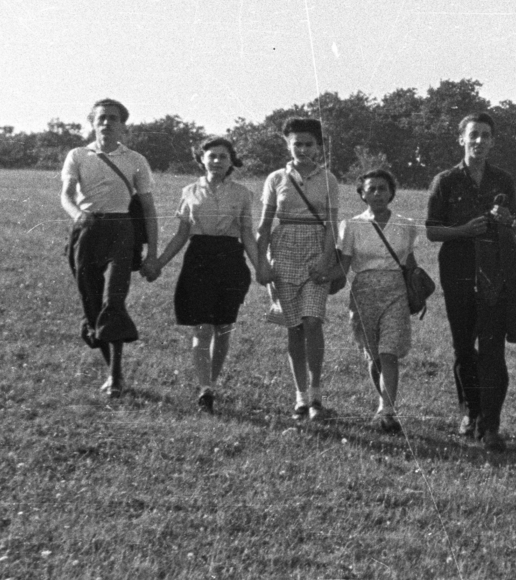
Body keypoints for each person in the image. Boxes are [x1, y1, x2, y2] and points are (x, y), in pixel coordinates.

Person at [143, 137, 264, 413]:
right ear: (202, 159)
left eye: (223, 156)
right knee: (202, 325)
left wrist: (261, 269)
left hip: (230, 260)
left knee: (223, 327)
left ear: (231, 161)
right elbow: (182, 233)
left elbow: (247, 234)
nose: (217, 161)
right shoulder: (189, 191)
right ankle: (205, 388)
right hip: (199, 259)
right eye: (212, 156)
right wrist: (159, 262)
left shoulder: (243, 194)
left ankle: (211, 382)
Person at [425, 111, 516, 450]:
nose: (479, 141)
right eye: (473, 135)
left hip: (495, 271)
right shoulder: (445, 180)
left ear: (493, 141)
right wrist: (463, 231)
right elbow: (431, 230)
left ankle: (491, 426)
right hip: (458, 271)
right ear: (461, 139)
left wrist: (507, 221)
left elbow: (515, 225)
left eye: (485, 135)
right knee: (464, 347)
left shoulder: (503, 181)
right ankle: (471, 412)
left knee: (493, 350)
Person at [60, 99, 159, 399]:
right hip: (87, 229)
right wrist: (79, 216)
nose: (106, 123)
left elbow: (149, 208)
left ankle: (115, 377)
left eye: (113, 118)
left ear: (123, 124)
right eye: (101, 118)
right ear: (92, 122)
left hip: (121, 230)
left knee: (112, 301)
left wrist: (152, 253)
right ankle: (110, 367)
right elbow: (65, 195)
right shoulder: (77, 155)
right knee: (91, 304)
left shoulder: (136, 160)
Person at [256, 117, 341, 422]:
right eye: (297, 143)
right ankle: (300, 397)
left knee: (312, 321)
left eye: (309, 143)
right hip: (284, 249)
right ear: (287, 144)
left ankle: (317, 394)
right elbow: (264, 225)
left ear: (318, 146)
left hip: (316, 251)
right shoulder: (276, 178)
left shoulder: (328, 179)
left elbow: (332, 224)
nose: (303, 149)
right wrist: (261, 263)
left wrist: (326, 257)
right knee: (293, 326)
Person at [338, 169, 421, 433]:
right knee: (374, 355)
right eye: (371, 189)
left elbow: (410, 263)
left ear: (391, 192)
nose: (377, 194)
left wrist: (417, 289)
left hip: (395, 291)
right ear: (362, 193)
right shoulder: (351, 225)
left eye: (382, 188)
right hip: (363, 293)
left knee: (389, 352)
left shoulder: (405, 224)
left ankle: (388, 411)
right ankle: (382, 404)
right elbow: (344, 266)